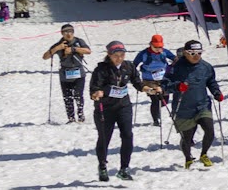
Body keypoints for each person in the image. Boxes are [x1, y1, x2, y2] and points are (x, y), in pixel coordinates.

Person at [164, 40, 225, 168]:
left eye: (199, 52)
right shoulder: (175, 68)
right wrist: (177, 86)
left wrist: (216, 92)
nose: (196, 56)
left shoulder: (206, 67)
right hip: (183, 108)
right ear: (185, 53)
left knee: (210, 130)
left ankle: (204, 154)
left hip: (202, 105)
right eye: (192, 53)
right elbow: (164, 85)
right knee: (187, 137)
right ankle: (188, 158)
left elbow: (211, 81)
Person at [89, 41, 144, 181]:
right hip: (106, 108)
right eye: (116, 55)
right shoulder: (101, 69)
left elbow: (137, 82)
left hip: (123, 106)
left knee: (127, 135)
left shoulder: (128, 66)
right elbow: (94, 89)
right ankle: (102, 166)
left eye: (122, 55)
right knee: (104, 137)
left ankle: (124, 168)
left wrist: (147, 88)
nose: (119, 58)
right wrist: (97, 93)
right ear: (109, 55)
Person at [42, 23, 93, 123]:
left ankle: (80, 114)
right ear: (62, 34)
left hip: (79, 73)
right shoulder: (59, 44)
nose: (69, 34)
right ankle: (71, 118)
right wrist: (57, 49)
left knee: (78, 95)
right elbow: (45, 56)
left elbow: (88, 51)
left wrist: (74, 49)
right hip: (65, 75)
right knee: (67, 97)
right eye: (66, 32)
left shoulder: (79, 41)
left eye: (71, 32)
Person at [135, 34, 174, 128]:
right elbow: (134, 64)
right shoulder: (143, 54)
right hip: (149, 80)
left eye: (160, 47)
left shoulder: (165, 52)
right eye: (156, 47)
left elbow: (175, 58)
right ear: (151, 44)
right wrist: (134, 76)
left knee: (164, 100)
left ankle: (156, 110)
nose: (158, 49)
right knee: (155, 99)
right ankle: (155, 119)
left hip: (163, 79)